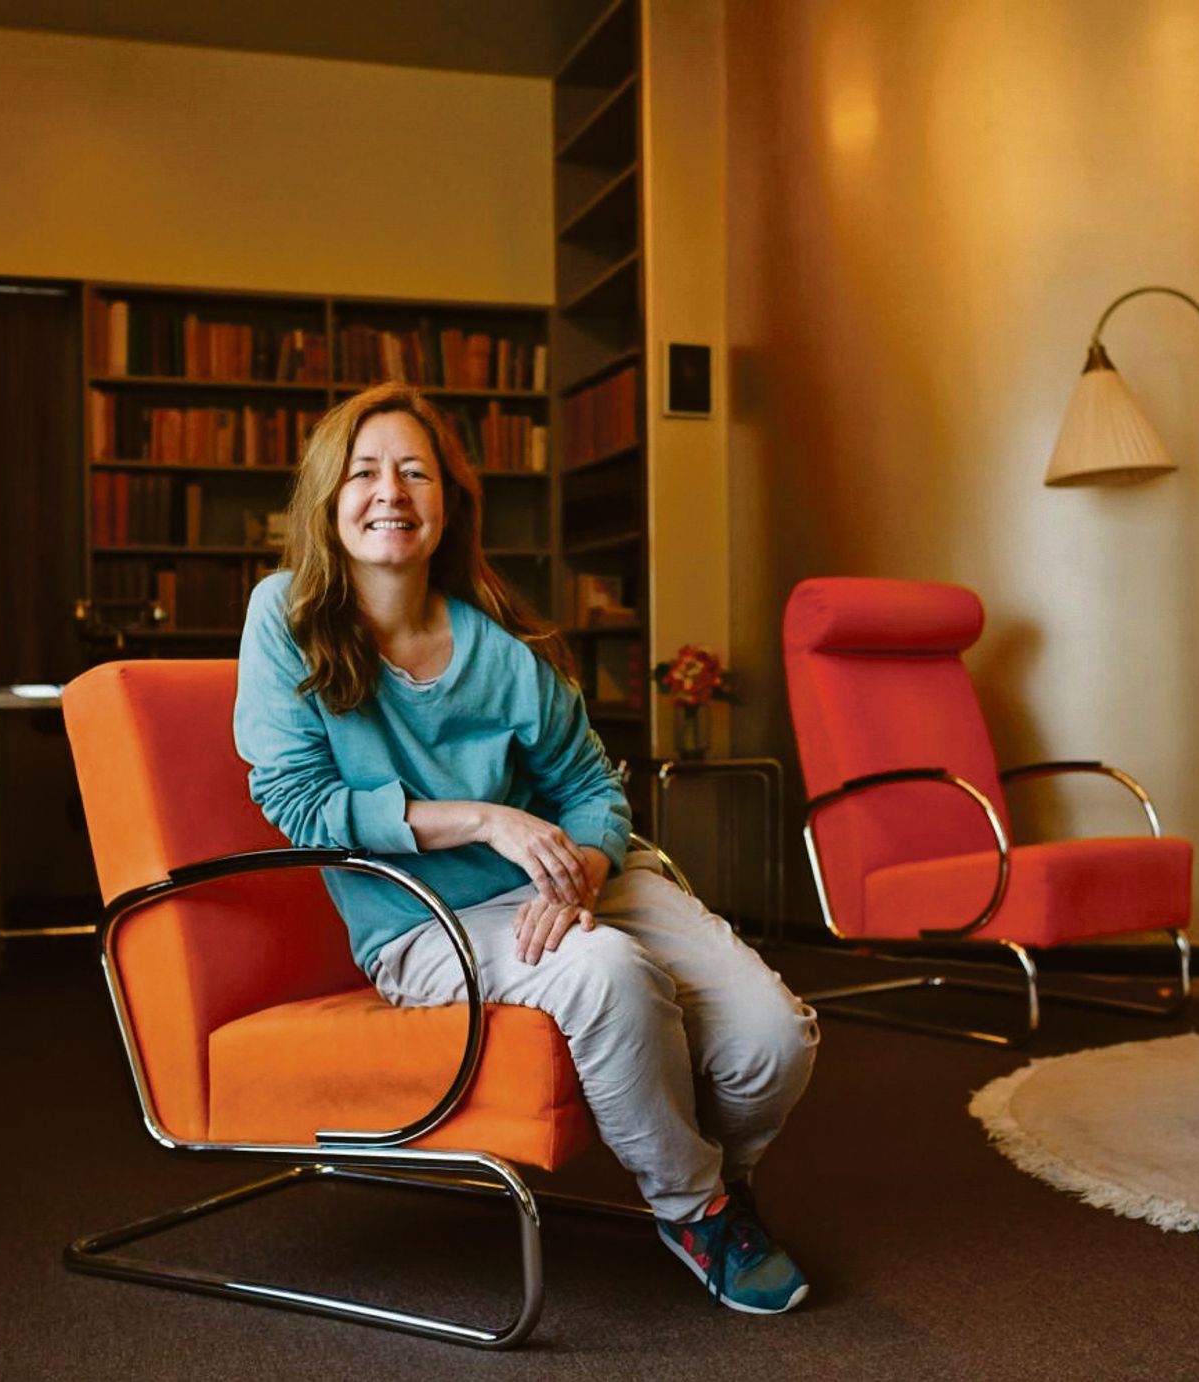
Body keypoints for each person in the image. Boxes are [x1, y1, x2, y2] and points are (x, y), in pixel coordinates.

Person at [232, 381, 818, 1314]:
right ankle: (696, 1210)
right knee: (609, 975)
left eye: (415, 472)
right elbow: (299, 804)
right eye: (365, 471)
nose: (390, 492)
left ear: (449, 503)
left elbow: (592, 789)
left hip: (571, 877)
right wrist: (482, 818)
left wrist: (582, 874)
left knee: (773, 1039)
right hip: (425, 917)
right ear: (327, 497)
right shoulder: (286, 616)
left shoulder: (503, 647)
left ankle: (710, 1173)